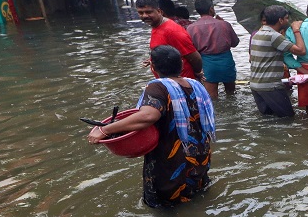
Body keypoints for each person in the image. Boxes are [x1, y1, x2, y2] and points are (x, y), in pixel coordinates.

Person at [87, 45, 214, 208]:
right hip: (198, 154)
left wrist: (104, 129)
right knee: (197, 198)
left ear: (152, 67)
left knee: (166, 208)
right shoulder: (193, 84)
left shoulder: (157, 87)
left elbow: (148, 115)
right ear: (181, 65)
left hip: (173, 159)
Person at [248, 5, 306, 119]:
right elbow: (301, 51)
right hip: (270, 87)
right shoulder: (274, 36)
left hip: (256, 85)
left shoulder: (257, 34)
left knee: (269, 120)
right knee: (288, 119)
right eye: (286, 18)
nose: (288, 21)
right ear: (280, 20)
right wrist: (296, 30)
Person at [136, 0, 203, 81]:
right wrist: (154, 60)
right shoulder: (156, 25)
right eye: (141, 13)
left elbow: (195, 57)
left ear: (159, 11)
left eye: (149, 12)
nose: (145, 16)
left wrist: (197, 74)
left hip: (181, 84)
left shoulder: (172, 31)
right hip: (167, 83)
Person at [187, 0, 240, 99]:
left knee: (212, 98)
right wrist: (224, 24)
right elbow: (235, 43)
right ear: (211, 9)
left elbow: (192, 49)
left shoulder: (191, 28)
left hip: (207, 64)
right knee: (231, 94)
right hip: (226, 62)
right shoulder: (224, 24)